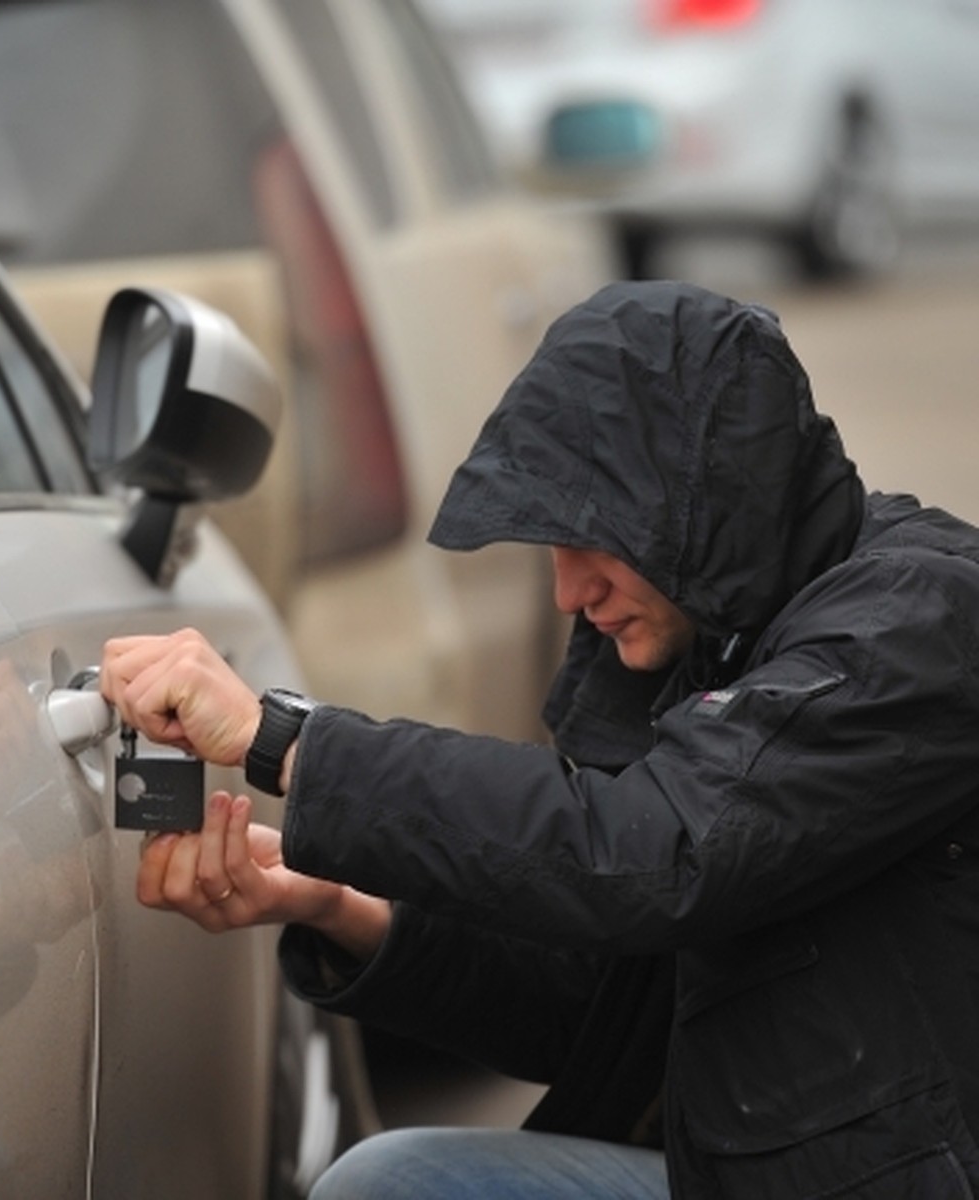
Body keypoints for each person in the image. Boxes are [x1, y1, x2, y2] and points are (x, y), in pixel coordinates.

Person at [100, 280, 979, 1199]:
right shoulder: (711, 636)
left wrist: (286, 739)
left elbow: (651, 851)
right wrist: (336, 902)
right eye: (552, 548)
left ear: (707, 506)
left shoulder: (915, 621)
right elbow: (593, 1006)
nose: (568, 593)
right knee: (401, 1181)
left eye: (595, 541)